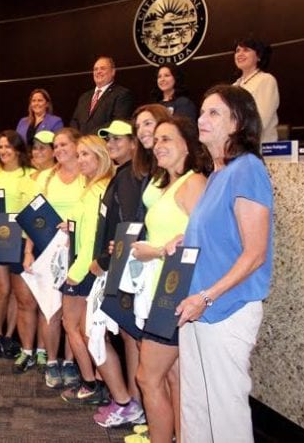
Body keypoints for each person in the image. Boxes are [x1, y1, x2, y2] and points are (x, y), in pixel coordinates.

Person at [175, 84, 274, 443]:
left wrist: (208, 297)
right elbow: (219, 235)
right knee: (196, 406)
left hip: (224, 309)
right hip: (197, 307)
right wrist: (185, 240)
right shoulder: (217, 174)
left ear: (238, 123)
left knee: (225, 409)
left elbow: (254, 253)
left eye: (214, 112)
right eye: (201, 111)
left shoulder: (247, 169)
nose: (202, 119)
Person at [126, 116, 208, 443]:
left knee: (147, 378)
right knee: (172, 379)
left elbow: (204, 239)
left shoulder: (194, 182)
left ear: (187, 144)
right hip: (161, 290)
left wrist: (162, 249)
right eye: (156, 140)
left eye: (167, 140)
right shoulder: (171, 183)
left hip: (174, 294)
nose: (158, 146)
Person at [89, 112, 170, 426]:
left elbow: (132, 227)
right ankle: (135, 405)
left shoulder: (134, 177)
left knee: (128, 338)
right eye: (108, 138)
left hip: (130, 267)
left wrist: (108, 261)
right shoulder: (123, 175)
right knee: (129, 336)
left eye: (118, 138)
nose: (110, 143)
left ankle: (136, 406)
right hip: (124, 265)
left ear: (135, 144)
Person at [24, 128, 84, 389]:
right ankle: (51, 361)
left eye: (63, 145)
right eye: (55, 146)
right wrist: (28, 251)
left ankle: (70, 362)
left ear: (76, 145)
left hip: (79, 250)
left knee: (73, 314)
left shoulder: (88, 174)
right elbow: (34, 218)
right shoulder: (46, 178)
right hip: (47, 251)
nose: (58, 150)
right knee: (51, 309)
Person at [59, 135, 114, 406]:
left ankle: (92, 383)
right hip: (85, 267)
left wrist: (75, 273)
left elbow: (94, 238)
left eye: (86, 155)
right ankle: (95, 383)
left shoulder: (96, 190)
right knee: (84, 330)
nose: (80, 160)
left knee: (75, 328)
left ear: (100, 157)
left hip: (84, 270)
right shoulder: (92, 186)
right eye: (78, 155)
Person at [0, 130, 35, 369]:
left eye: (8, 147)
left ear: (17, 149)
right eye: (0, 147)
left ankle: (9, 337)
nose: (3, 151)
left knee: (17, 292)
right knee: (2, 289)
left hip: (20, 238)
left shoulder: (30, 174)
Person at [69, 56, 134, 135]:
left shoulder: (122, 94)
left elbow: (117, 122)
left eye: (102, 68)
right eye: (95, 69)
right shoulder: (84, 97)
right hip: (82, 144)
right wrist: (77, 137)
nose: (98, 71)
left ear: (113, 72)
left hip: (104, 143)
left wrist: (90, 137)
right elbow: (74, 121)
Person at [233, 37, 279, 143]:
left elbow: (262, 120)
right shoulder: (234, 86)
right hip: (238, 148)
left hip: (260, 149)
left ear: (258, 56)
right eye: (237, 50)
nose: (240, 54)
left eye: (246, 50)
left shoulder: (266, 80)